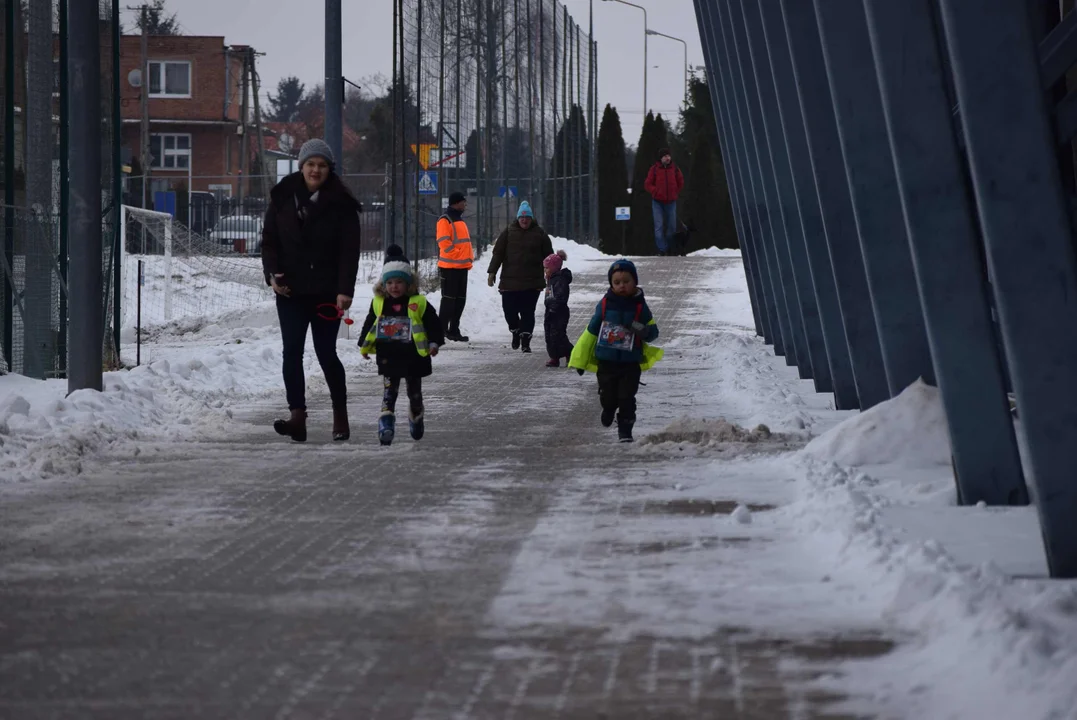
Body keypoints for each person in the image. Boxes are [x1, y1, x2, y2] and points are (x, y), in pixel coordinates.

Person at [261, 138, 362, 443]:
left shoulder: (342, 204)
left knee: (325, 352)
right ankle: (297, 416)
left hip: (326, 292)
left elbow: (349, 250)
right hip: (290, 290)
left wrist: (345, 290)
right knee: (291, 351)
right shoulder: (282, 197)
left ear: (330, 169)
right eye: (310, 164)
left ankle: (340, 413)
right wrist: (272, 276)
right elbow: (268, 242)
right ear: (301, 166)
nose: (315, 170)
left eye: (321, 165)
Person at [358, 244, 445, 446]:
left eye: (399, 282)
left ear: (408, 285)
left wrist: (434, 343)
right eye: (390, 282)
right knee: (389, 392)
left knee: (414, 393)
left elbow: (433, 324)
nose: (394, 287)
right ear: (384, 284)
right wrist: (364, 344)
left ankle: (416, 416)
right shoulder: (379, 303)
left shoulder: (418, 302)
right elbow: (370, 323)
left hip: (414, 356)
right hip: (389, 355)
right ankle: (386, 424)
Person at [569, 259, 663, 443]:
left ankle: (625, 430)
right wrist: (580, 360)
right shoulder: (605, 305)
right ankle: (609, 408)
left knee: (627, 398)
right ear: (611, 284)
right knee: (609, 395)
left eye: (626, 281)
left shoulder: (640, 306)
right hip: (607, 362)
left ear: (635, 282)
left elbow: (652, 333)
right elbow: (590, 332)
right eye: (617, 282)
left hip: (630, 363)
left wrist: (639, 327)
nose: (622, 286)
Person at [487, 200, 553, 353]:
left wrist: (552, 273)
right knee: (509, 311)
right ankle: (515, 330)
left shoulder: (540, 234)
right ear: (517, 218)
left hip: (532, 282)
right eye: (522, 217)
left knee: (527, 312)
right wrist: (492, 272)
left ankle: (526, 341)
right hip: (509, 282)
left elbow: (549, 257)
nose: (524, 220)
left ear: (531, 218)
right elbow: (498, 254)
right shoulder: (508, 232)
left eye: (527, 217)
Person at [436, 191, 474, 342]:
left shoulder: (459, 220)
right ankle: (440, 331)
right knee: (448, 300)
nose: (465, 204)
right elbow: (444, 243)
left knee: (460, 300)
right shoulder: (445, 220)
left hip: (462, 266)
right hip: (449, 267)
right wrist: (458, 254)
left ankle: (453, 330)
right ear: (456, 203)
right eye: (463, 202)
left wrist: (467, 258)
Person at [644, 147, 685, 256]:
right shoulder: (654, 169)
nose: (667, 158)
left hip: (671, 202)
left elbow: (680, 181)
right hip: (657, 202)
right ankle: (663, 249)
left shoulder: (675, 168)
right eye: (665, 156)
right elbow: (647, 184)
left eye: (668, 156)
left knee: (672, 226)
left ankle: (670, 248)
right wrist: (655, 191)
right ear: (661, 158)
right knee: (659, 226)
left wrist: (675, 191)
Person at [542, 250, 574, 367]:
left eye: (547, 268)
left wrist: (554, 306)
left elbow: (561, 296)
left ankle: (570, 352)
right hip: (550, 311)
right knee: (549, 334)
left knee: (558, 334)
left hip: (559, 312)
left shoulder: (560, 280)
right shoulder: (551, 279)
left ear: (554, 268)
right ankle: (554, 356)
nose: (545, 270)